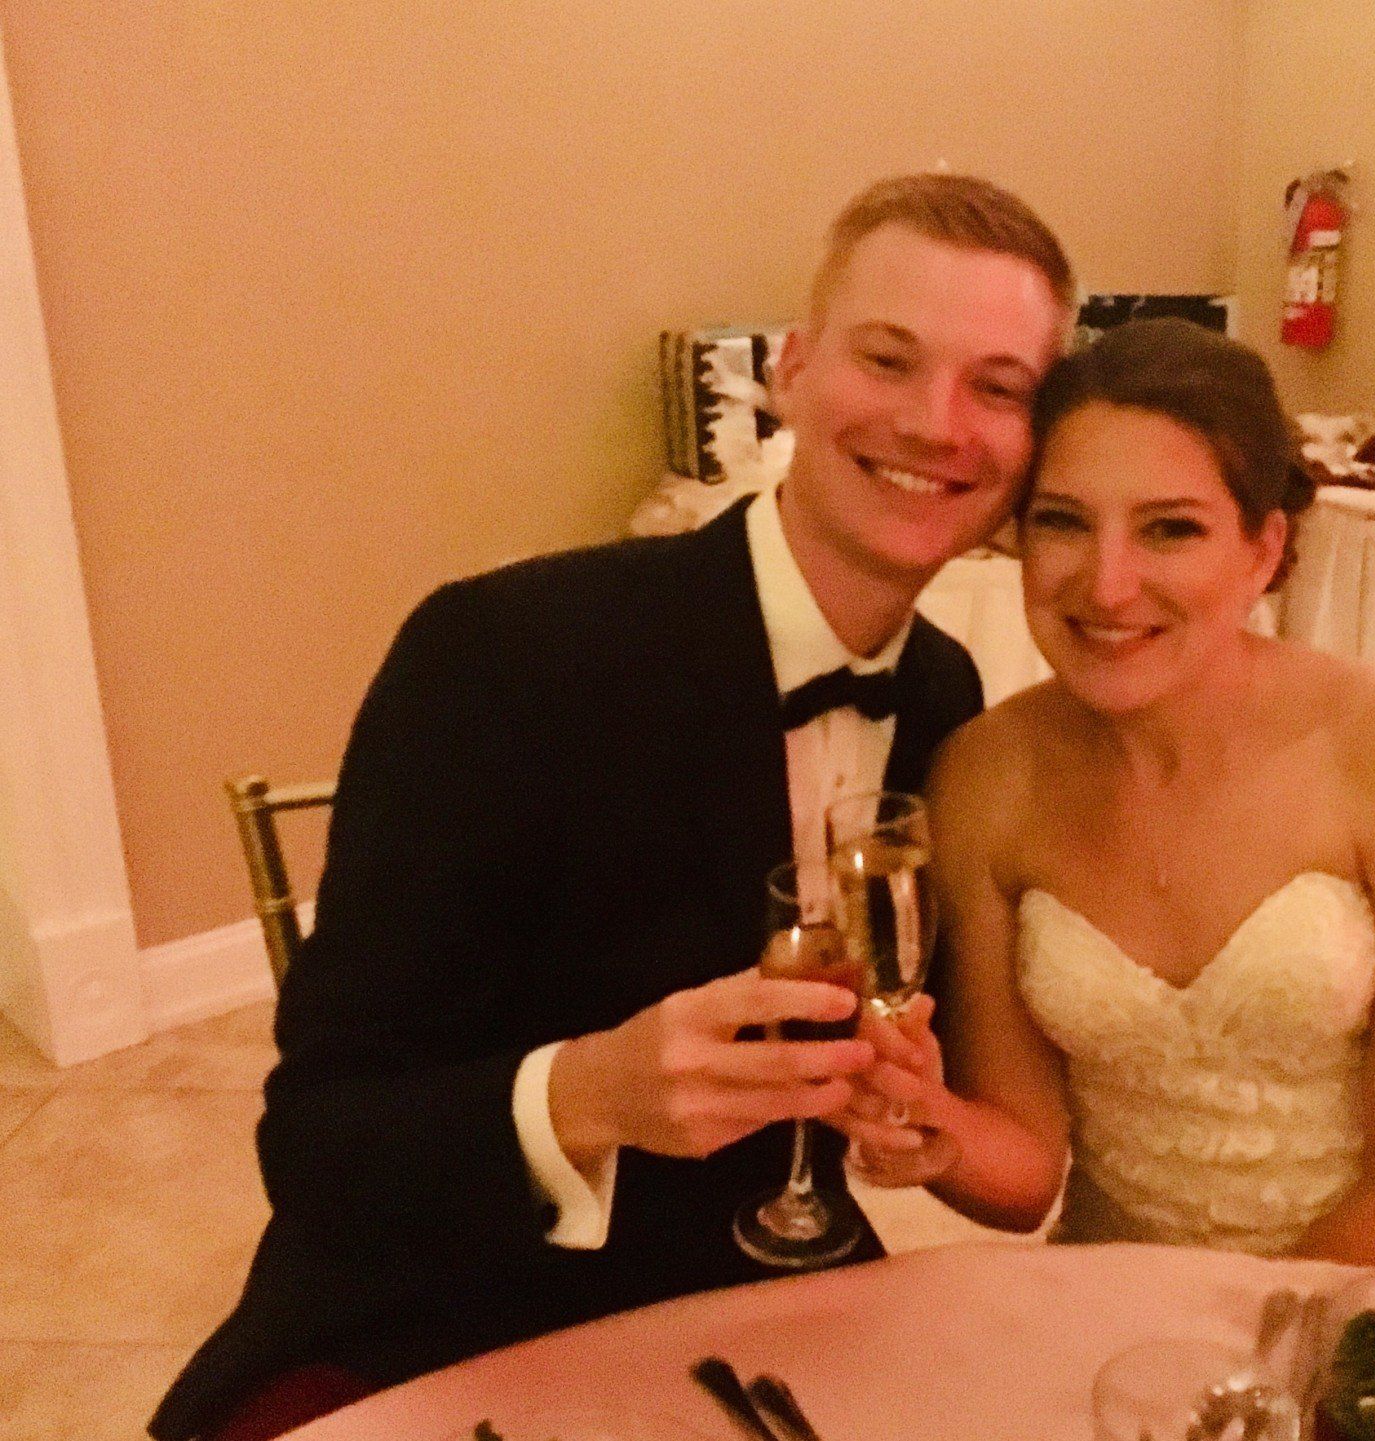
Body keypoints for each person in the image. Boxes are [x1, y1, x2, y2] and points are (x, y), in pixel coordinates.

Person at [151, 174, 1075, 1441]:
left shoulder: (944, 690)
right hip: (436, 1315)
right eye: (888, 358)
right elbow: (319, 1149)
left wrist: (910, 1103)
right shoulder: (499, 654)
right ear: (791, 372)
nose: (937, 423)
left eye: (998, 386)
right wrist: (586, 1094)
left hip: (753, 1312)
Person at [840, 318, 1375, 1267]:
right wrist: (933, 1124)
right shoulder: (985, 772)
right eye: (1062, 520)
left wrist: (1225, 1387)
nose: (1107, 586)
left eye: (1171, 529)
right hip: (1122, 1299)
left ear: (1265, 548)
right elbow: (1025, 1179)